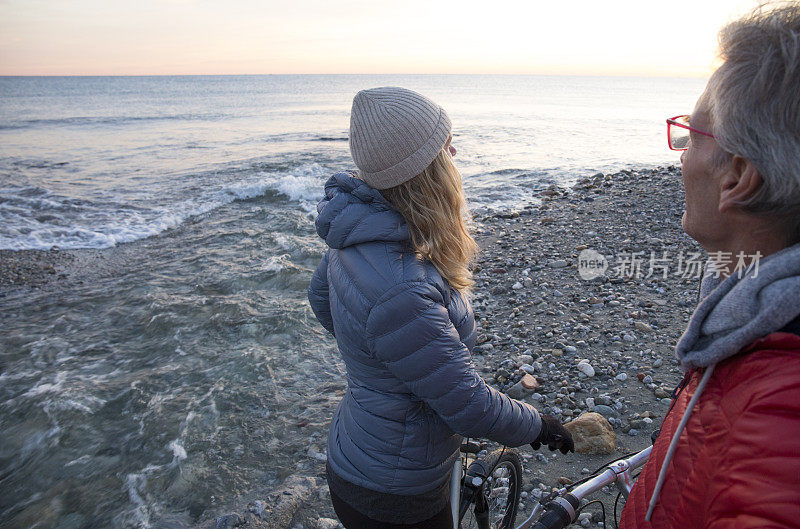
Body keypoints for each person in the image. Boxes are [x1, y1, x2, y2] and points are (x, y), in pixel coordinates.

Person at [307, 86, 573, 528]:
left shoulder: (357, 234)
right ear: (425, 172)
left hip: (357, 446)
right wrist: (539, 426)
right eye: (444, 144)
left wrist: (379, 366)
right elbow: (468, 405)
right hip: (395, 491)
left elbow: (321, 300)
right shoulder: (402, 290)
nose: (454, 150)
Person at [621, 4, 800, 528]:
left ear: (738, 177)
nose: (681, 157)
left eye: (691, 136)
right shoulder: (746, 316)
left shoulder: (777, 412)